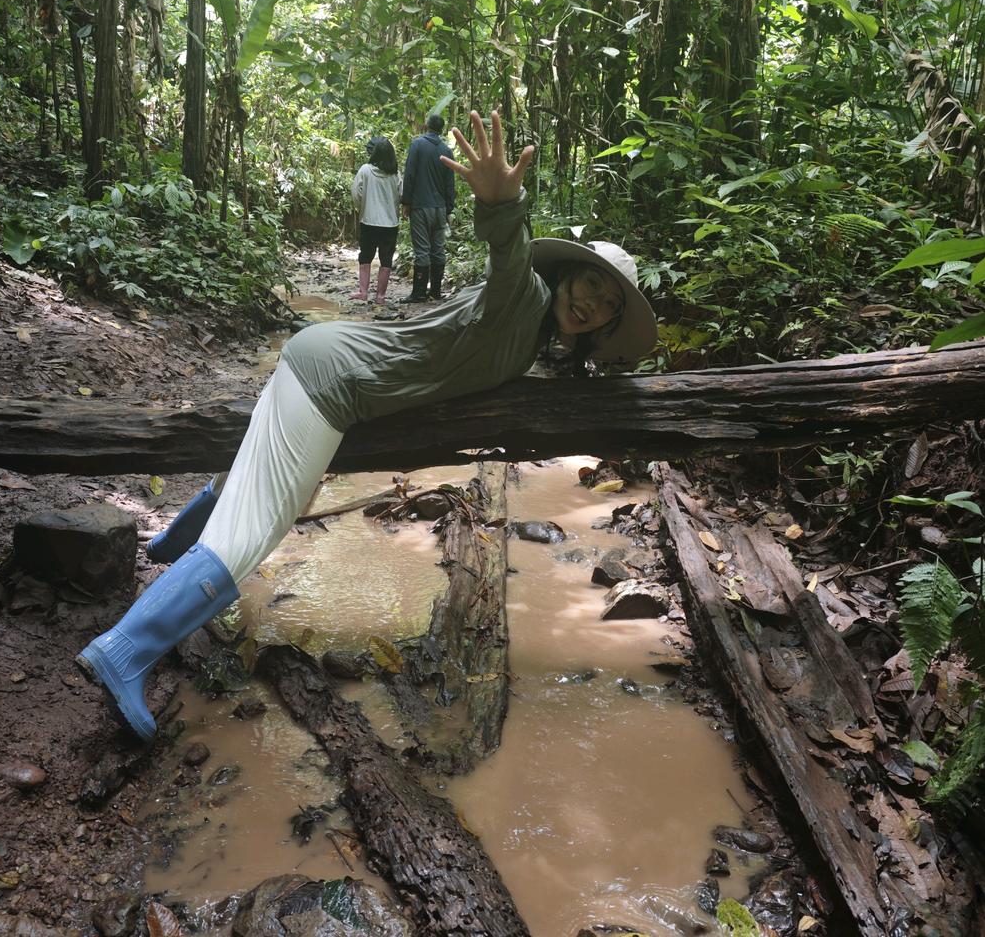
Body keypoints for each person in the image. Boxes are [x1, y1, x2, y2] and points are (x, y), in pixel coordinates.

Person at [77, 110, 658, 742]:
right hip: (334, 385)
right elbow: (510, 254)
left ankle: (171, 544)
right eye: (590, 286)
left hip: (326, 359)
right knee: (254, 535)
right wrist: (504, 203)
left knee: (275, 489)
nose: (592, 304)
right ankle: (126, 650)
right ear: (566, 274)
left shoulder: (533, 331)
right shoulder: (524, 298)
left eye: (607, 305)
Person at [400, 113, 455, 303]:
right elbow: (450, 184)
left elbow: (410, 174)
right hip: (440, 209)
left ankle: (419, 293)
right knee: (438, 250)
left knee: (422, 250)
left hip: (420, 207)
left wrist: (406, 202)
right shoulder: (447, 151)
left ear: (427, 126)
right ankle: (436, 292)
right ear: (441, 129)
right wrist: (449, 209)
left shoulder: (417, 145)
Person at [350, 137, 401, 305]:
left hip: (369, 221)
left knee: (365, 256)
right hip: (390, 223)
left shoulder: (365, 170)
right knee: (386, 259)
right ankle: (380, 296)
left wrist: (362, 207)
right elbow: (401, 195)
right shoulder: (395, 174)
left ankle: (363, 292)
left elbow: (356, 193)